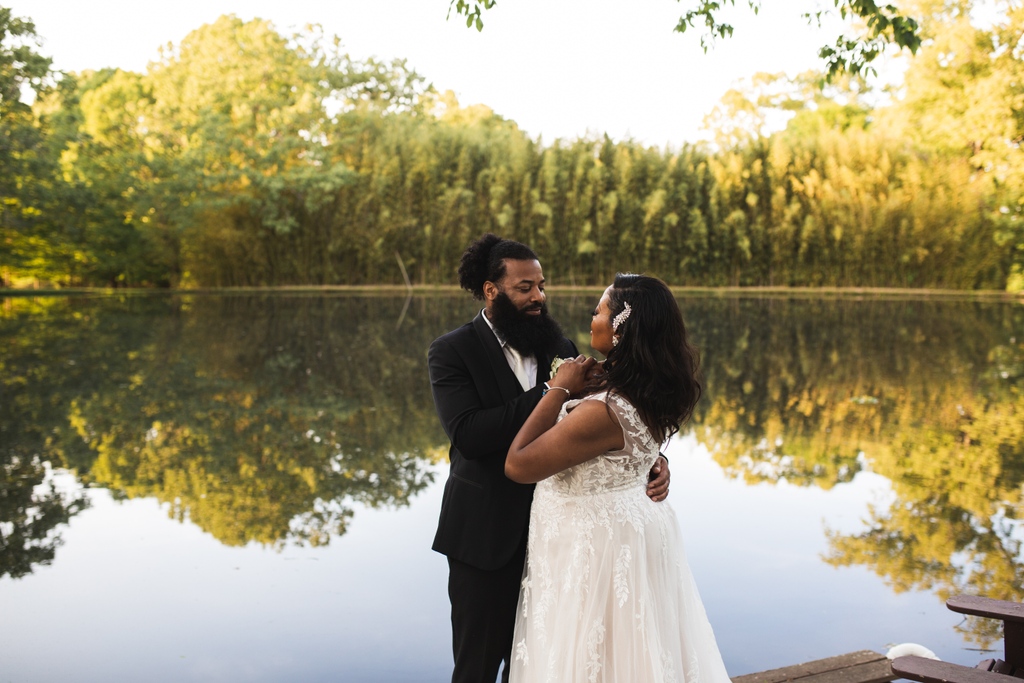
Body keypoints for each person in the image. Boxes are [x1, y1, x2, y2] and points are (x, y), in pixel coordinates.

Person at [429, 236, 671, 683]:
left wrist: (650, 459)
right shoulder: (451, 351)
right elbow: (469, 434)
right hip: (485, 538)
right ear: (491, 290)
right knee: (477, 668)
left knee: (542, 661)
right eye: (525, 288)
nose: (539, 296)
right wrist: (551, 390)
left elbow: (607, 415)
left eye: (542, 285)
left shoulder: (555, 341)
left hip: (561, 543)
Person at [505, 273, 730, 683]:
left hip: (593, 546)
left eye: (599, 310)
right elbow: (631, 445)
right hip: (627, 530)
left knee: (595, 656)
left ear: (622, 327)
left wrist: (556, 389)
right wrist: (653, 461)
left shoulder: (602, 409)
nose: (591, 318)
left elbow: (518, 465)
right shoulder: (649, 387)